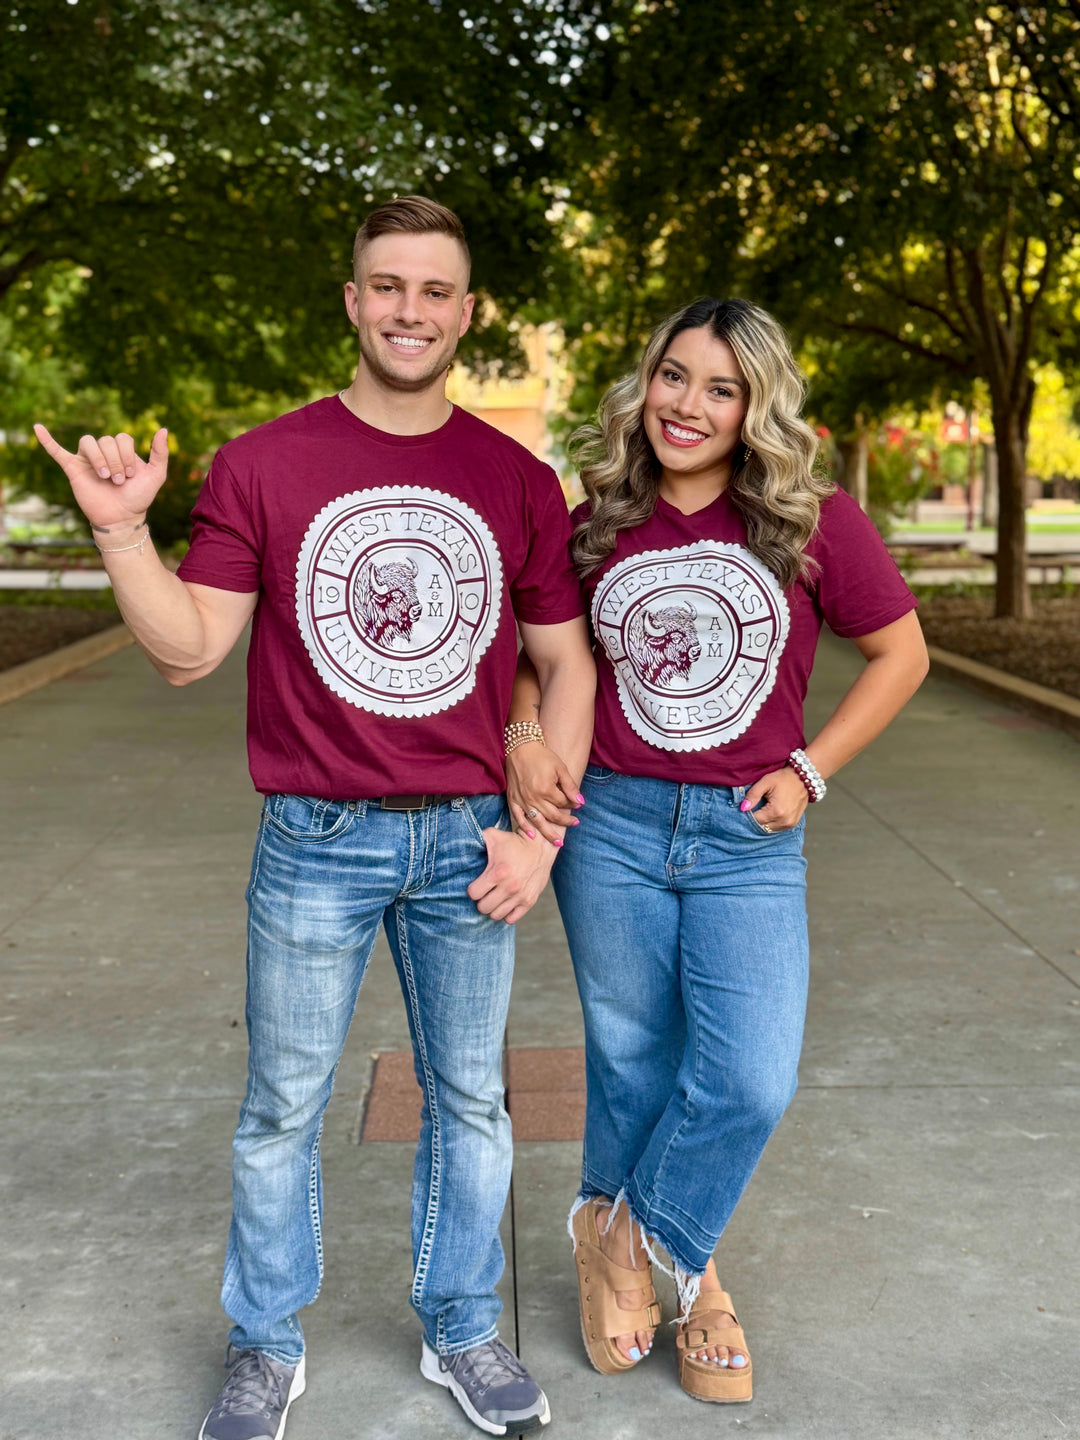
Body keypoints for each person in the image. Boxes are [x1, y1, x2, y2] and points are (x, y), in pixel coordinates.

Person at [35, 195, 594, 1440]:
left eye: (435, 290)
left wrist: (538, 835)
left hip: (468, 839)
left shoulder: (514, 480)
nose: (411, 310)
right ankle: (265, 1344)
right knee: (281, 1104)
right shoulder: (265, 463)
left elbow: (568, 667)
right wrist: (123, 529)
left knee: (471, 1100)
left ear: (467, 312)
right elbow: (189, 650)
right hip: (316, 840)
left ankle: (462, 1330)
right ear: (352, 300)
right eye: (387, 286)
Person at [506, 296, 928, 1404]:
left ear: (756, 407)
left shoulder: (808, 516)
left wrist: (813, 768)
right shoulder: (589, 512)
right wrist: (518, 739)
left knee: (748, 1076)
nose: (689, 405)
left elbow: (901, 653)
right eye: (674, 377)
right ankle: (698, 1285)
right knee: (635, 1061)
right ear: (644, 382)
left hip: (748, 835)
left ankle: (621, 1236)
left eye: (721, 387)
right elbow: (536, 657)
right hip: (614, 826)